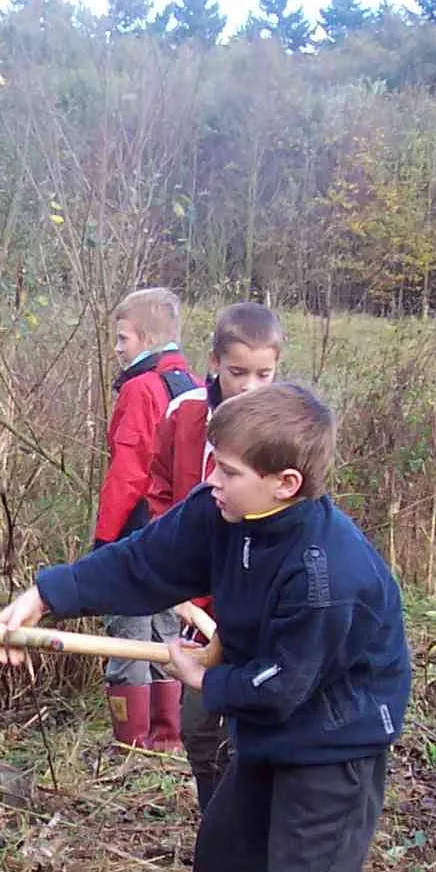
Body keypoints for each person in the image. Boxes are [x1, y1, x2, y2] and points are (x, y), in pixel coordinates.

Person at [0, 383, 411, 872]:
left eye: (227, 470)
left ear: (285, 484)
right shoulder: (222, 513)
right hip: (271, 730)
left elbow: (283, 684)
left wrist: (202, 680)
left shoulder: (326, 574)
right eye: (212, 464)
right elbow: (145, 562)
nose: (209, 480)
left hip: (335, 744)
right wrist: (47, 595)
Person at [143, 301, 284, 808]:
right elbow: (159, 491)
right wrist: (176, 576)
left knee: (253, 722)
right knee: (200, 727)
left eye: (264, 375)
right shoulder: (184, 415)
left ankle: (253, 826)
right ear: (215, 362)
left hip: (257, 602)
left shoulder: (286, 427)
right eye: (238, 372)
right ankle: (215, 825)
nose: (249, 387)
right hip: (198, 605)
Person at [92, 286, 199, 750]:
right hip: (180, 535)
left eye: (123, 338)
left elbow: (128, 471)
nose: (117, 349)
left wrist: (104, 544)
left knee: (128, 636)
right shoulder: (192, 385)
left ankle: (131, 742)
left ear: (149, 338)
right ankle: (168, 738)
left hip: (138, 532)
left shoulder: (141, 389)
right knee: (167, 632)